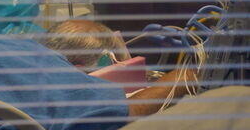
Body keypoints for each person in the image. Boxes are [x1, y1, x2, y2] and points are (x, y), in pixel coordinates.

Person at [44, 18, 198, 117]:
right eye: (114, 65)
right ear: (77, 71)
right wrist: (186, 76)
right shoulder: (73, 106)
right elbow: (129, 111)